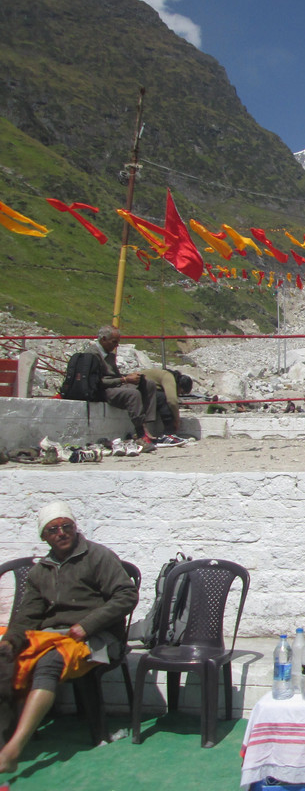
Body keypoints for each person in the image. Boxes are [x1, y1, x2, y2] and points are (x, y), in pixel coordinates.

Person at [0, 501, 138, 773]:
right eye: (53, 529)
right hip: (54, 636)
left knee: (48, 662)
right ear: (44, 536)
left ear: (75, 529)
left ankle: (15, 747)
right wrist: (11, 641)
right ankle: (9, 734)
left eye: (67, 526)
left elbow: (126, 595)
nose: (61, 532)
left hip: (97, 638)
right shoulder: (41, 571)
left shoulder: (98, 556)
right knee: (10, 660)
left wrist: (87, 625)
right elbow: (27, 614)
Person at [89, 326, 158, 450]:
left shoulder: (109, 354)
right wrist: (124, 380)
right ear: (104, 339)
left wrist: (128, 377)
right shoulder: (92, 354)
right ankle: (140, 435)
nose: (116, 346)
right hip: (103, 390)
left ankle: (148, 425)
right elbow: (98, 381)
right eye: (114, 342)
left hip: (115, 384)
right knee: (133, 394)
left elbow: (114, 375)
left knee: (149, 384)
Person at [141, 368, 193, 434]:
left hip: (143, 389)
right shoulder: (169, 377)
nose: (179, 394)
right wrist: (177, 419)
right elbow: (172, 401)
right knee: (164, 398)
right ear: (179, 385)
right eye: (181, 392)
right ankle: (169, 433)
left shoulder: (167, 376)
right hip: (137, 388)